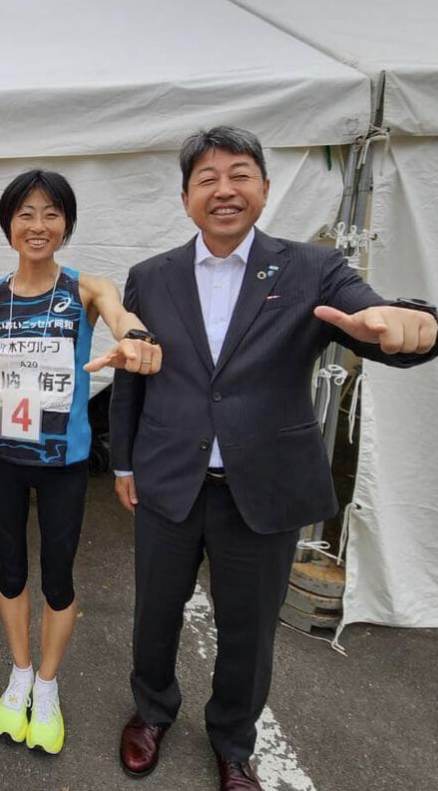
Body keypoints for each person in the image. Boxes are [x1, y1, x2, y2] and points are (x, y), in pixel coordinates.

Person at [111, 126, 438, 791]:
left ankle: (233, 742)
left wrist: (415, 324)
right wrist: (123, 464)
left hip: (262, 488)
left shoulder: (312, 268)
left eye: (240, 174)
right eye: (207, 178)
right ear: (185, 197)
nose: (224, 189)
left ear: (263, 188)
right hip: (170, 480)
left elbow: (372, 318)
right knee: (155, 613)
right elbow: (130, 375)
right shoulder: (150, 277)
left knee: (250, 630)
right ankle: (152, 711)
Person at [0, 169, 162, 755]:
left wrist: (136, 336)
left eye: (51, 213)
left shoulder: (85, 289)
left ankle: (47, 685)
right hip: (0, 460)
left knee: (58, 576)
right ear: (8, 224)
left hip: (64, 465)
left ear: (66, 224)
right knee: (10, 571)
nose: (38, 225)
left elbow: (120, 314)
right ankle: (20, 672)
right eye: (25, 213)